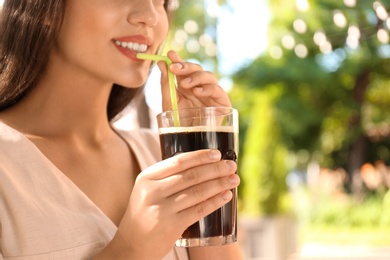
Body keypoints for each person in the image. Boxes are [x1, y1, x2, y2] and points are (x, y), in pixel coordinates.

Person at [0, 0, 242, 259]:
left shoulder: (163, 156)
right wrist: (131, 249)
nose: (150, 16)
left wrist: (201, 153)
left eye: (160, 1)